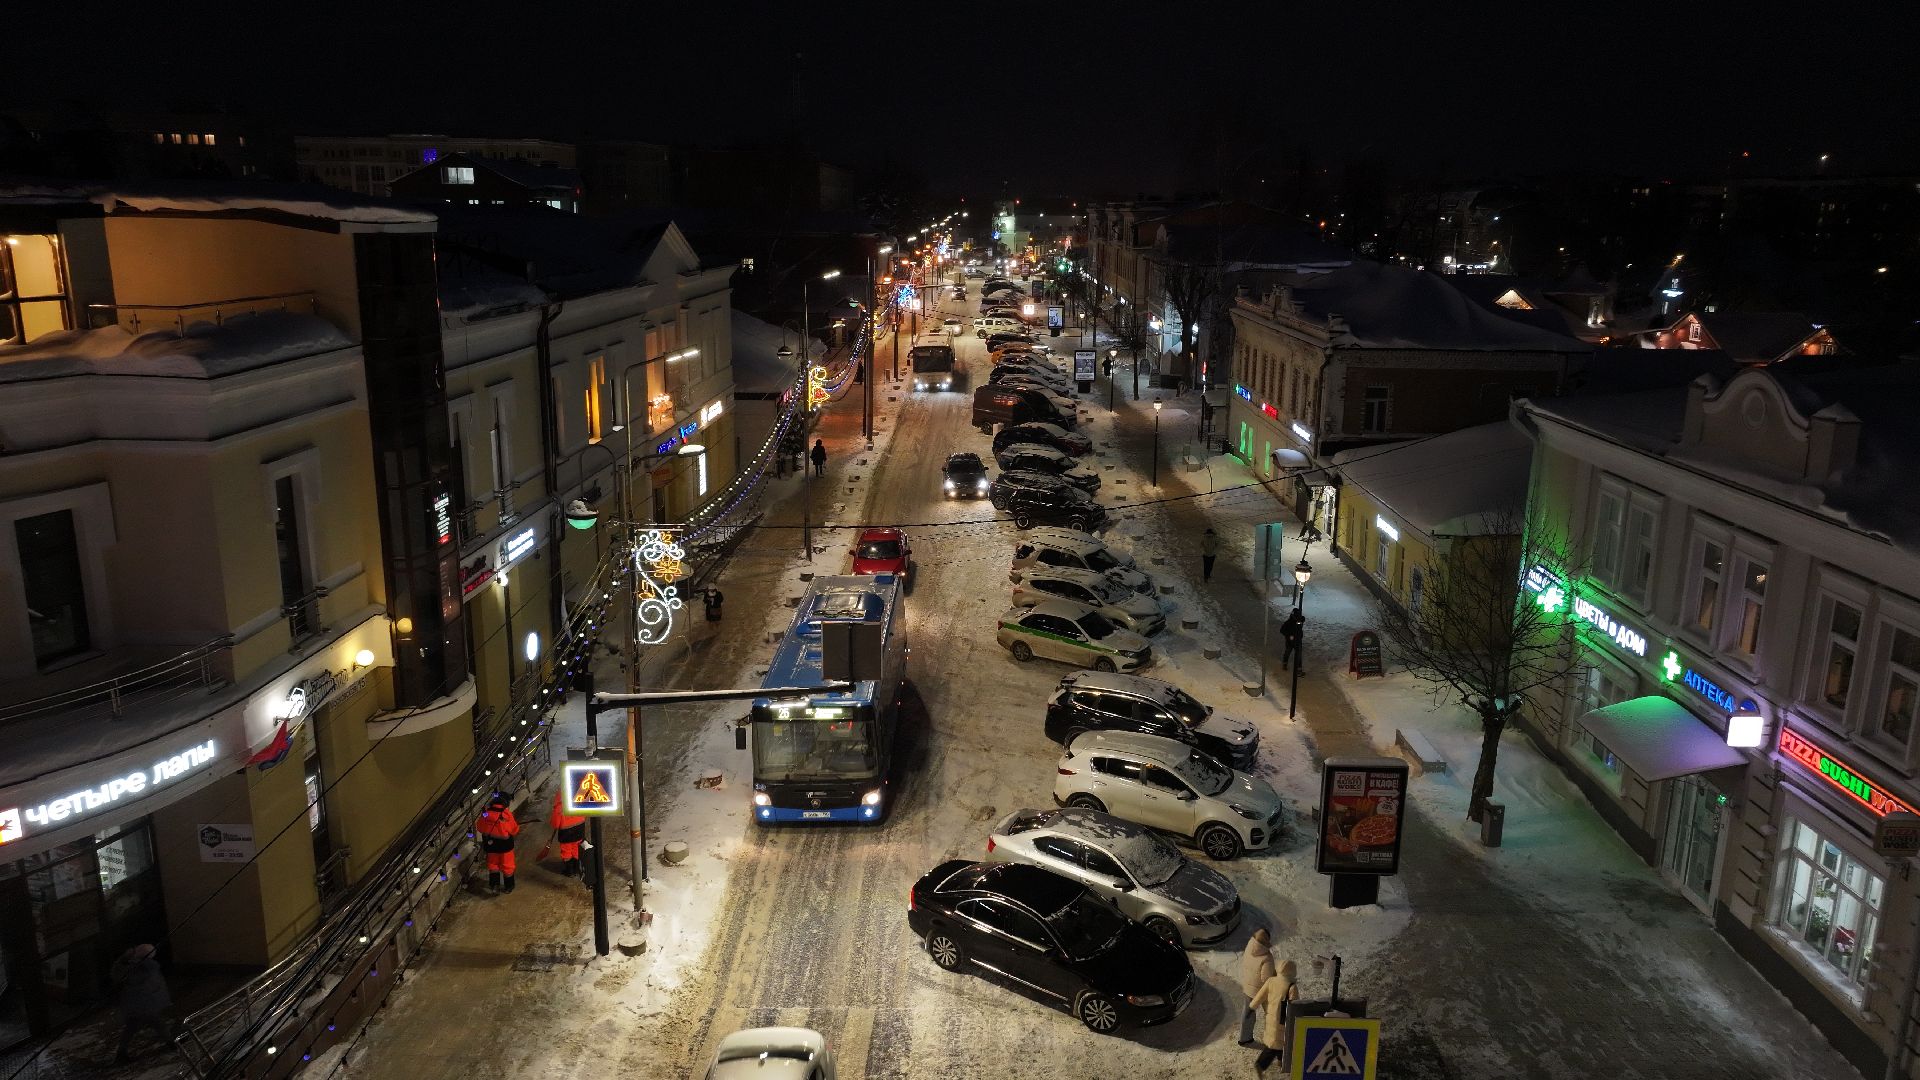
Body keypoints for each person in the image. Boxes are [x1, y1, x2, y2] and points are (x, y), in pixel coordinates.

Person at [111, 943, 180, 1064]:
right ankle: (171, 1044)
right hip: (144, 1005)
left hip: (136, 1005)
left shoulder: (132, 967)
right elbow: (150, 981)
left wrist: (124, 960)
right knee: (157, 1024)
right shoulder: (145, 968)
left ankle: (121, 1053)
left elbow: (117, 974)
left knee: (133, 1028)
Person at [1250, 958, 1300, 1075]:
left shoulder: (1271, 981)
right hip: (1284, 1019)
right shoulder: (1291, 987)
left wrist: (1252, 1007)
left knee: (1279, 1041)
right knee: (1277, 1044)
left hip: (1271, 1017)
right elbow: (1295, 1006)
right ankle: (1260, 1064)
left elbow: (1260, 995)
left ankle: (1281, 1061)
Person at [1237, 928, 1275, 1046]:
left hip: (1248, 987)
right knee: (1272, 1013)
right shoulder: (1267, 957)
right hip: (1262, 991)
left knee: (1248, 1013)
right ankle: (1274, 1037)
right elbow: (1267, 979)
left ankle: (1244, 1038)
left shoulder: (1249, 947)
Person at [476, 795, 521, 894]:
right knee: (507, 866)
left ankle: (494, 885)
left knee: (493, 865)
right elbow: (514, 830)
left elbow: (479, 827)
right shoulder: (506, 814)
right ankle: (508, 886)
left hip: (491, 846)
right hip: (505, 846)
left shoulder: (486, 814)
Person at [548, 789, 586, 878]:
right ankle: (577, 868)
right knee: (576, 848)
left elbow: (555, 823)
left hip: (566, 833)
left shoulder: (560, 807)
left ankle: (570, 871)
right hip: (579, 829)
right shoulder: (579, 798)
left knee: (566, 851)